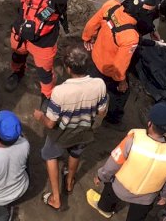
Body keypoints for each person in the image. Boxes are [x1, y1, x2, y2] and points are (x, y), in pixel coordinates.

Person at [33, 44, 108, 210]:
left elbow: (51, 123)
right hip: (84, 130)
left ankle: (56, 197)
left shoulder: (60, 91)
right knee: (75, 153)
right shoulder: (99, 84)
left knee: (49, 155)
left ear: (67, 68)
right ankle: (69, 182)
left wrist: (40, 117)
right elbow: (102, 112)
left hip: (62, 134)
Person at [86, 102, 166, 221]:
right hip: (146, 197)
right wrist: (165, 196)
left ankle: (105, 209)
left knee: (108, 193)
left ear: (150, 123)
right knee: (137, 217)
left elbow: (114, 163)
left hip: (119, 188)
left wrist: (101, 176)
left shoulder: (133, 139)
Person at [82, 0, 160, 126]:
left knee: (89, 86)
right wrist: (121, 82)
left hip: (95, 55)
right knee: (121, 94)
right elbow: (119, 66)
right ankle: (112, 119)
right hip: (109, 70)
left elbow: (91, 25)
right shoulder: (131, 37)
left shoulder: (111, 5)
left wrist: (87, 38)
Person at [6, 0, 72, 100]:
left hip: (44, 40)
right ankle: (17, 73)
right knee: (17, 55)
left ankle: (47, 95)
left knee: (44, 71)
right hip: (21, 30)